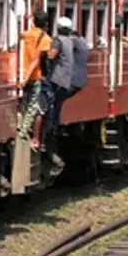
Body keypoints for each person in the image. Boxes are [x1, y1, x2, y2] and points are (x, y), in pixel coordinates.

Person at [44, 16, 88, 176]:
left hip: (57, 79)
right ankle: (52, 131)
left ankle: (49, 133)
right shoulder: (71, 41)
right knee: (57, 107)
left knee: (51, 106)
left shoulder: (58, 40)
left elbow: (51, 55)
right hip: (66, 81)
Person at [21, 10, 53, 149]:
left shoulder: (25, 34)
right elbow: (36, 60)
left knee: (25, 102)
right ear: (46, 23)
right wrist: (27, 77)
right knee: (34, 105)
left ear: (34, 21)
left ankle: (22, 127)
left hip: (22, 73)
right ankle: (23, 130)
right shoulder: (46, 39)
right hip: (35, 76)